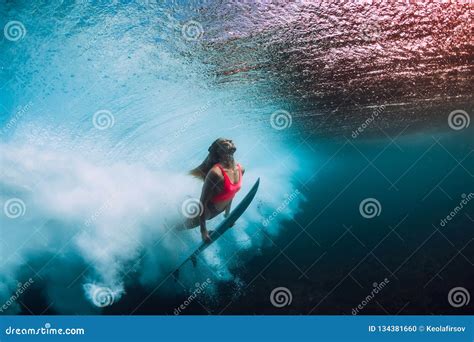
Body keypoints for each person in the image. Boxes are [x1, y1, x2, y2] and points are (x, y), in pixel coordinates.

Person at [186, 138, 245, 242]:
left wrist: (227, 214)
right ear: (219, 150)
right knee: (178, 227)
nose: (230, 140)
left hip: (218, 211)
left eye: (230, 140)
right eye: (226, 141)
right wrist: (203, 231)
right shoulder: (215, 173)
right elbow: (202, 202)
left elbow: (231, 193)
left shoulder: (241, 169)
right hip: (205, 212)